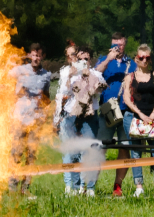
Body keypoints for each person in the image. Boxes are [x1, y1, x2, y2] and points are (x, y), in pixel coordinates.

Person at [57, 47, 105, 196]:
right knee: (72, 152)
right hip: (71, 116)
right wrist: (71, 77)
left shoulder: (96, 74)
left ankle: (89, 187)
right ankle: (73, 187)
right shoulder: (69, 73)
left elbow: (100, 90)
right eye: (80, 59)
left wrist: (90, 77)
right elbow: (63, 94)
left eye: (86, 58)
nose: (83, 61)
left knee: (90, 150)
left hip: (89, 116)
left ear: (90, 60)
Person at [121, 43, 154, 198]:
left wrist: (153, 114)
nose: (145, 60)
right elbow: (127, 99)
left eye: (147, 57)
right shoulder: (130, 77)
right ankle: (138, 186)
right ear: (136, 59)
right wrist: (141, 114)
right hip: (134, 117)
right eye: (142, 58)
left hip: (152, 117)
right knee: (136, 152)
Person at [94, 34, 134, 197]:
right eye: (114, 46)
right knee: (100, 148)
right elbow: (95, 74)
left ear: (125, 44)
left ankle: (118, 186)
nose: (117, 49)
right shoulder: (104, 59)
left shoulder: (131, 63)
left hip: (126, 110)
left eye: (120, 45)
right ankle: (91, 185)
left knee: (124, 147)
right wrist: (108, 59)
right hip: (108, 109)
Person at [9, 46, 52, 195]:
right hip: (19, 118)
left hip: (35, 119)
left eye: (38, 56)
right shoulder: (20, 70)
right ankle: (12, 187)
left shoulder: (46, 75)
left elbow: (47, 97)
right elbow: (3, 77)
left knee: (31, 154)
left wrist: (44, 110)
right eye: (33, 55)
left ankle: (25, 187)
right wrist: (14, 60)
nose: (36, 58)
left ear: (42, 57)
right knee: (16, 152)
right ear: (29, 56)